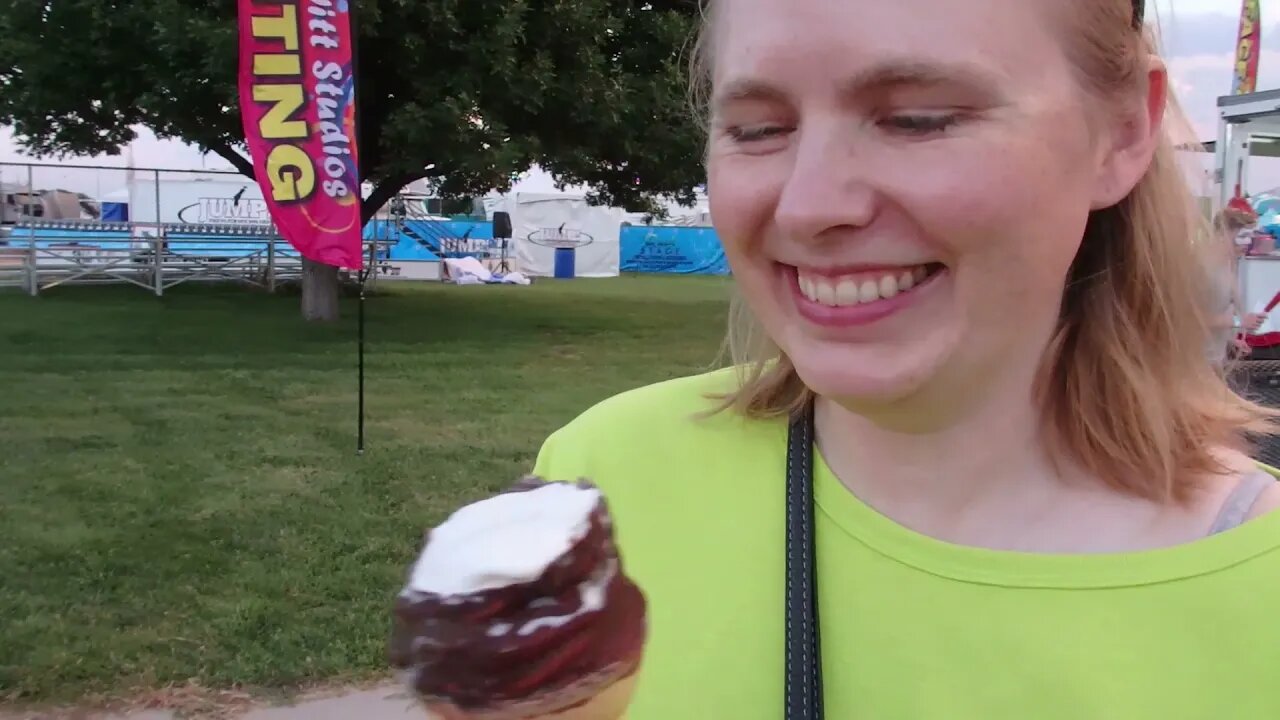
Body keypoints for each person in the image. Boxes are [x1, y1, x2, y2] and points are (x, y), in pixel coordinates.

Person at [533, 0, 1280, 717]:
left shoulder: (1257, 595)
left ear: (1121, 132)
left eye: (917, 120)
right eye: (759, 130)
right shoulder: (601, 484)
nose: (807, 205)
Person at [1211, 198, 1266, 363]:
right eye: (1244, 235)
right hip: (1195, 363)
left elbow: (1215, 313)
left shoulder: (1228, 266)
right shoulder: (1204, 267)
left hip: (1216, 358)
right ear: (1224, 233)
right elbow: (1189, 317)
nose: (1249, 242)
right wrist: (1239, 321)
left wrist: (1230, 342)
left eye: (1251, 236)